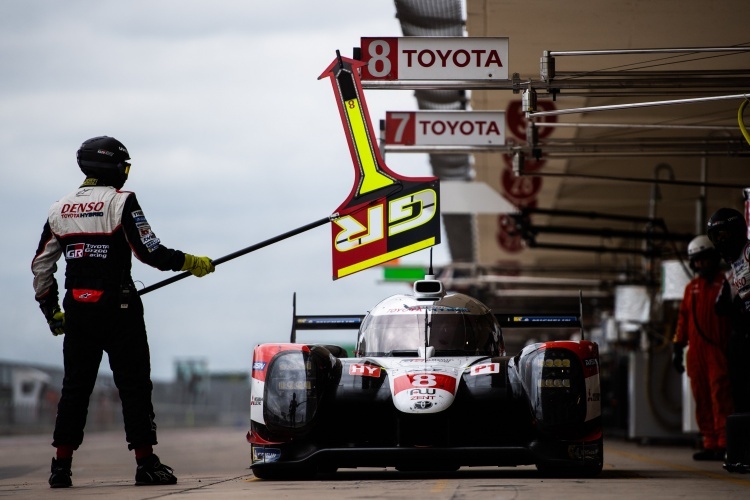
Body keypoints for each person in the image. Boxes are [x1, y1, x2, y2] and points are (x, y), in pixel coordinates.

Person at [31, 136, 216, 488]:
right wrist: (192, 263)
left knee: (74, 388)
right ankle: (146, 463)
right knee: (133, 387)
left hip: (78, 310)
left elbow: (41, 266)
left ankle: (60, 467)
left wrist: (51, 310)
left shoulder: (60, 209)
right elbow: (151, 252)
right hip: (120, 309)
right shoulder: (122, 202)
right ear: (112, 166)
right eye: (124, 165)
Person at [672, 235, 733, 460]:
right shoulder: (691, 289)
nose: (701, 265)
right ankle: (709, 442)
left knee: (720, 396)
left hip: (717, 350)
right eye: (697, 261)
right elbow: (683, 320)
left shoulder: (725, 283)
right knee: (702, 397)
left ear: (713, 259)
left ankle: (725, 443)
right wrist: (677, 347)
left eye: (704, 260)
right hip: (695, 353)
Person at [707, 208, 750, 413]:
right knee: (739, 392)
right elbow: (720, 307)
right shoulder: (732, 268)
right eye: (716, 237)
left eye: (724, 235)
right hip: (742, 336)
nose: (721, 241)